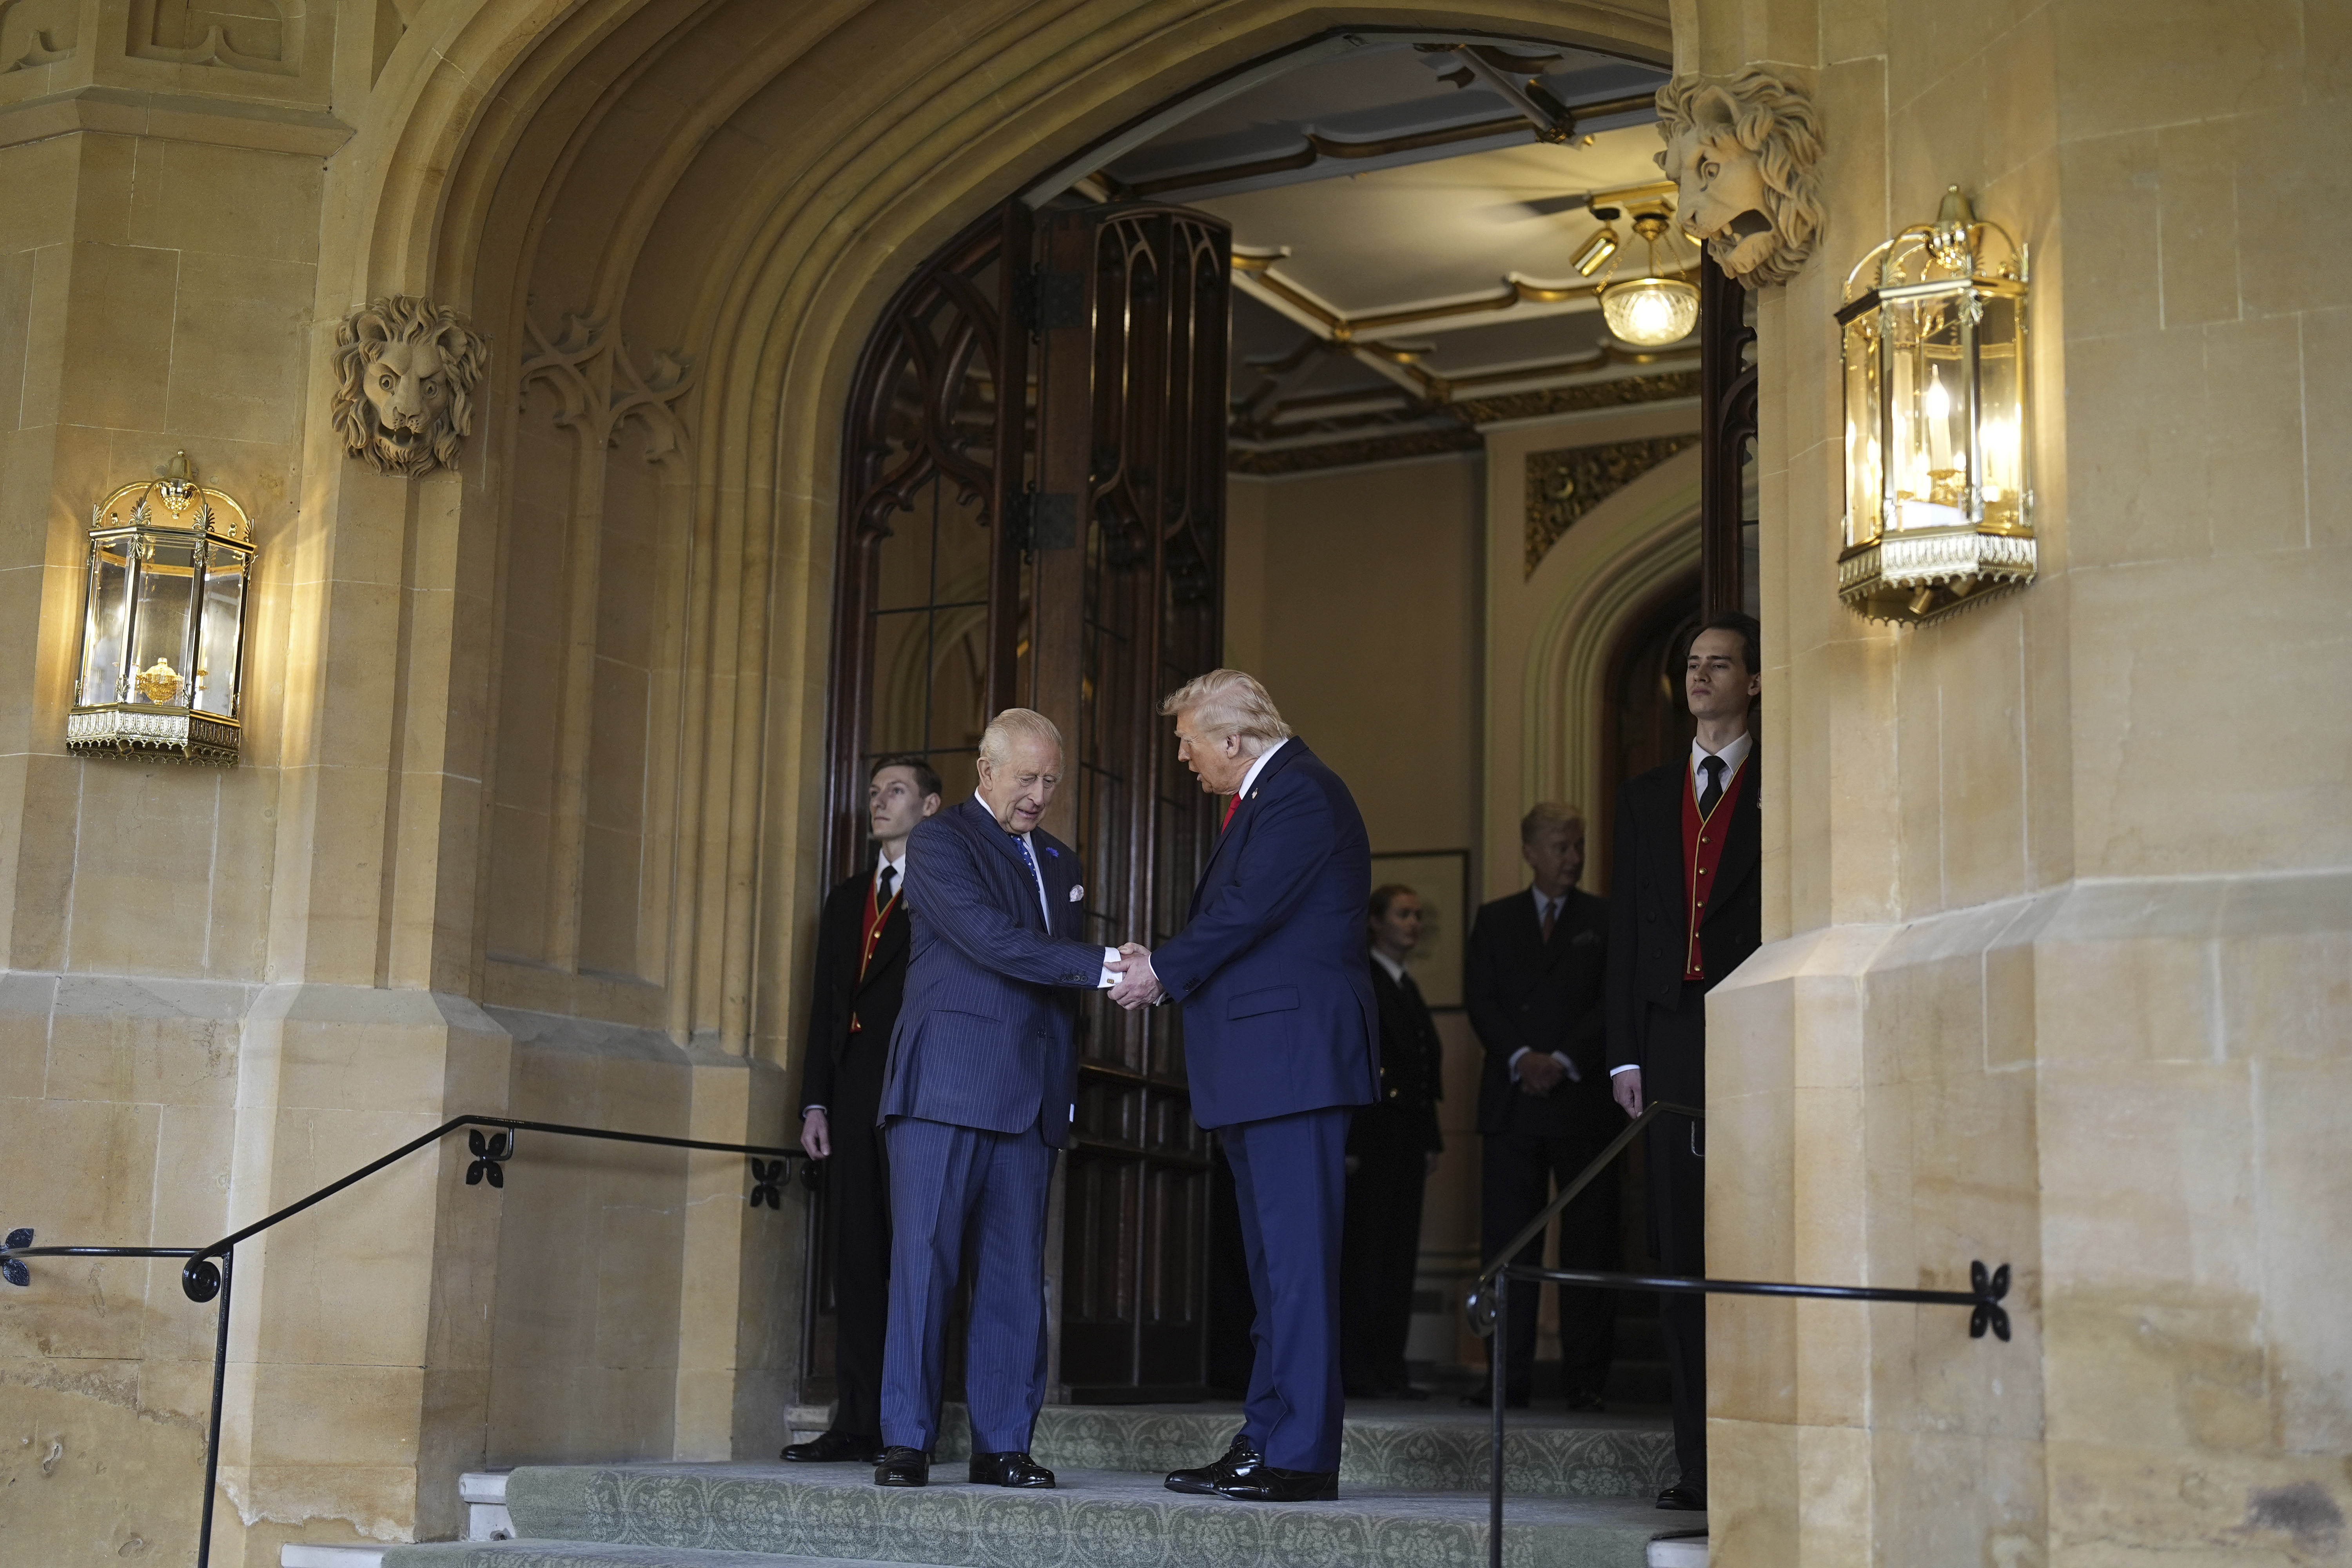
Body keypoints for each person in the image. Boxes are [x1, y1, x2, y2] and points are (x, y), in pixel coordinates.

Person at [1108, 670, 1378, 1504]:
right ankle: (1264, 1439)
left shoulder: (1300, 793)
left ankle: (1300, 1454)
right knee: (1272, 1278)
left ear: (1233, 740)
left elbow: (1249, 910)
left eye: (1190, 742)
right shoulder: (1271, 797)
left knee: (1296, 1273)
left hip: (1291, 1070)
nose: (1185, 758)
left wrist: (1161, 969)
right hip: (1265, 1072)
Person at [870, 709, 1126, 1490]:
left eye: (1051, 778)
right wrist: (1108, 964)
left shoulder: (1060, 859)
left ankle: (1003, 1443)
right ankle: (906, 1441)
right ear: (986, 769)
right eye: (1027, 776)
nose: (1040, 793)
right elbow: (988, 938)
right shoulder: (943, 839)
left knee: (1017, 1277)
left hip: (1030, 1097)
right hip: (947, 1085)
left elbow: (1055, 993)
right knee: (925, 1268)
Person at [1607, 612, 1763, 1513]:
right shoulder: (1647, 793)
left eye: (1720, 664)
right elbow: (1628, 929)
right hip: (1666, 1038)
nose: (1702, 677)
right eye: (1694, 666)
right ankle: (1698, 1463)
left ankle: (1759, 1448)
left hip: (1754, 1027)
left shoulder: (1788, 777)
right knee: (1677, 1253)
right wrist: (1624, 1050)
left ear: (1754, 681)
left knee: (1752, 1239)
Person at [784, 755, 942, 1465]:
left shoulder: (945, 892)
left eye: (897, 791)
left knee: (917, 1260)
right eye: (875, 793)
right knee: (854, 1259)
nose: (880, 803)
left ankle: (911, 1425)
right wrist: (814, 1099)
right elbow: (825, 1007)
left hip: (917, 1096)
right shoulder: (848, 898)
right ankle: (854, 1421)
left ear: (931, 807)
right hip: (850, 1103)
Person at [1463, 802, 1615, 1412]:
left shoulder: (1605, 919)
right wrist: (1524, 1056)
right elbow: (1481, 1000)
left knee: (1589, 1247)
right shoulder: (1495, 921)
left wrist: (1563, 1059)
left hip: (1582, 1104)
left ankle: (1586, 1382)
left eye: (1577, 846)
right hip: (1512, 1103)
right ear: (1530, 851)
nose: (1573, 859)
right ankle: (1507, 1379)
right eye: (1560, 847)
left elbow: (1611, 1002)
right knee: (1508, 1248)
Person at [1341, 884, 1445, 1401]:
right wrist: (1351, 1141)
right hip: (1374, 1135)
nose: (1413, 924)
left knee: (1399, 1256)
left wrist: (1430, 1139)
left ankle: (1389, 1367)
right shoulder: (1365, 977)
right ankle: (1361, 1369)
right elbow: (1356, 1060)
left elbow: (1422, 1071)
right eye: (1403, 914)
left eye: (1418, 915)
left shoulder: (1403, 983)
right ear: (1376, 922)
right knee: (1368, 1255)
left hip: (1405, 1136)